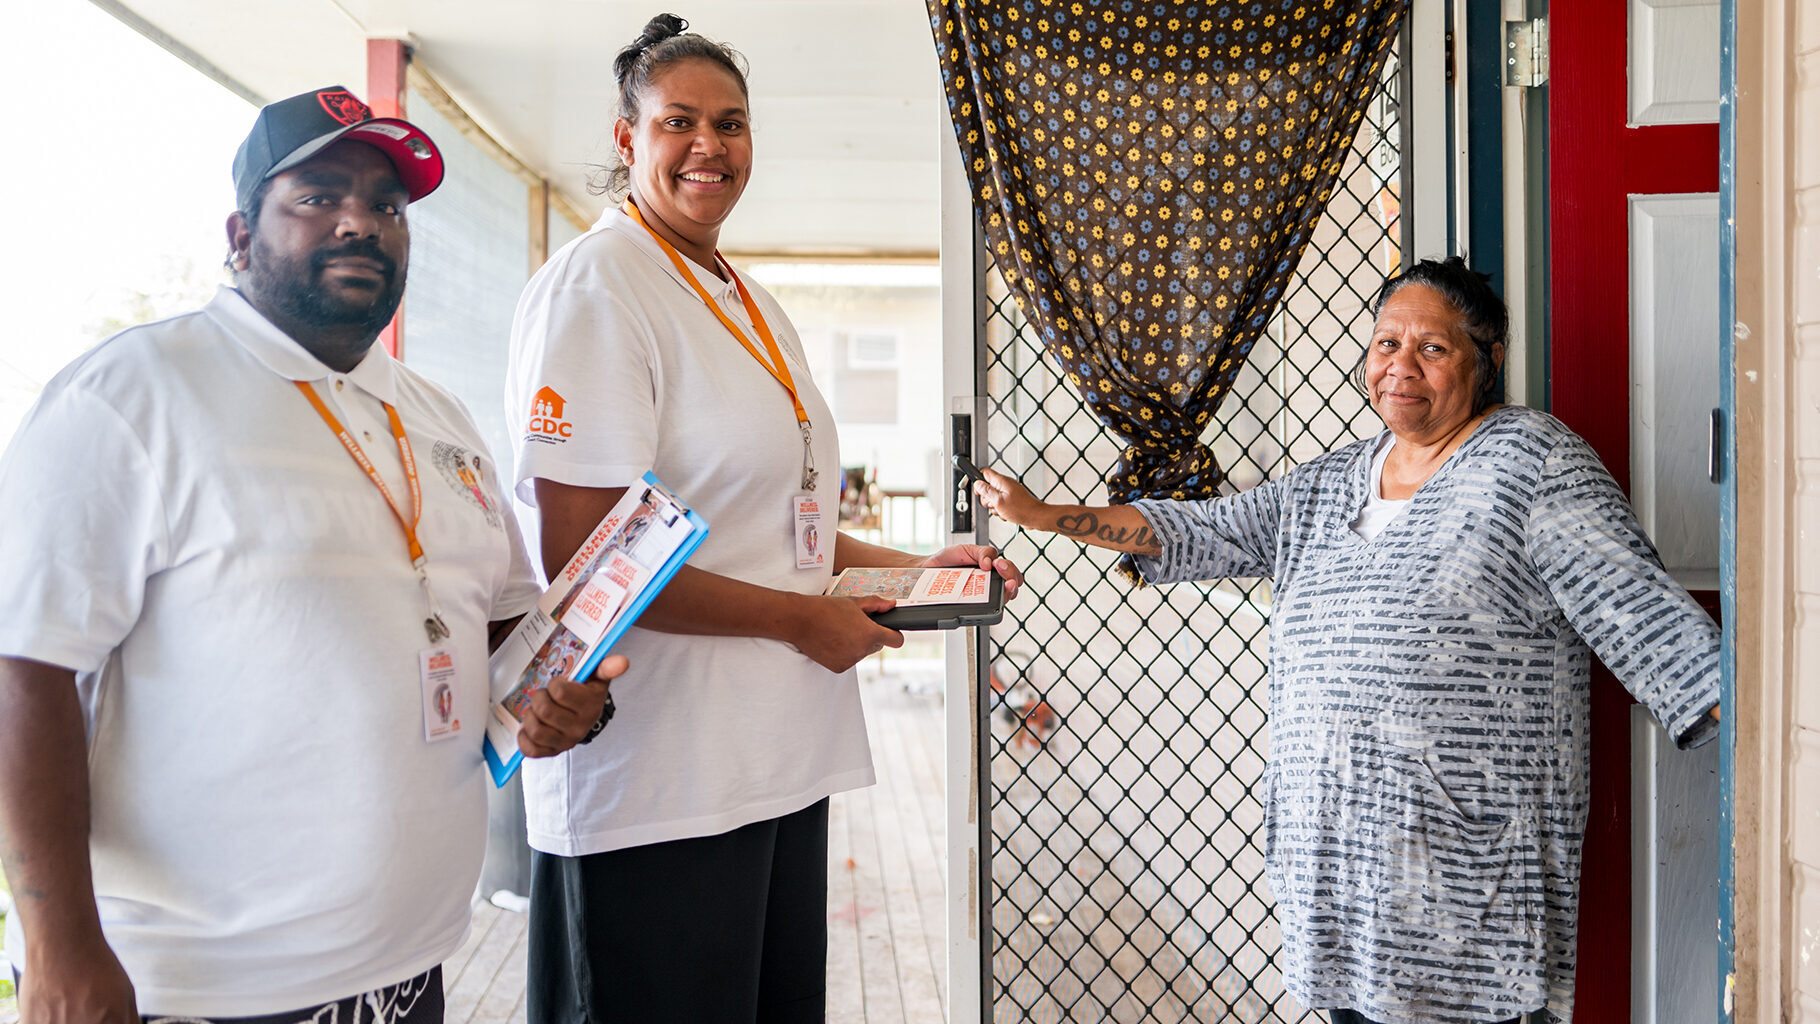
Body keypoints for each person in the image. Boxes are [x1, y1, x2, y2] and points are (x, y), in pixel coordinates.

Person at [0, 86, 623, 1023]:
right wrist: (59, 949)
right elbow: (24, 669)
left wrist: (564, 696)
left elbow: (500, 622)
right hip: (198, 988)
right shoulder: (132, 396)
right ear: (240, 233)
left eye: (387, 207)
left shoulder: (438, 417)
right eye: (319, 197)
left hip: (411, 970)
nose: (360, 224)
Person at [973, 256, 1721, 1024]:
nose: (1402, 365)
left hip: (1463, 887)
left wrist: (1756, 729)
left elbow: (1637, 607)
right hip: (1335, 881)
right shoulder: (1328, 483)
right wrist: (1043, 515)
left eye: (1432, 348)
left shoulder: (1532, 462)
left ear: (1487, 361)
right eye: (1385, 343)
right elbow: (1196, 528)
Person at [503, 14, 1021, 1022]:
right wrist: (797, 621)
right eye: (678, 122)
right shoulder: (600, 286)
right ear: (626, 139)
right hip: (658, 786)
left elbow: (790, 534)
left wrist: (920, 572)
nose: (710, 146)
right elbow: (585, 557)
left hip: (770, 766)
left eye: (730, 123)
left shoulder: (741, 294)